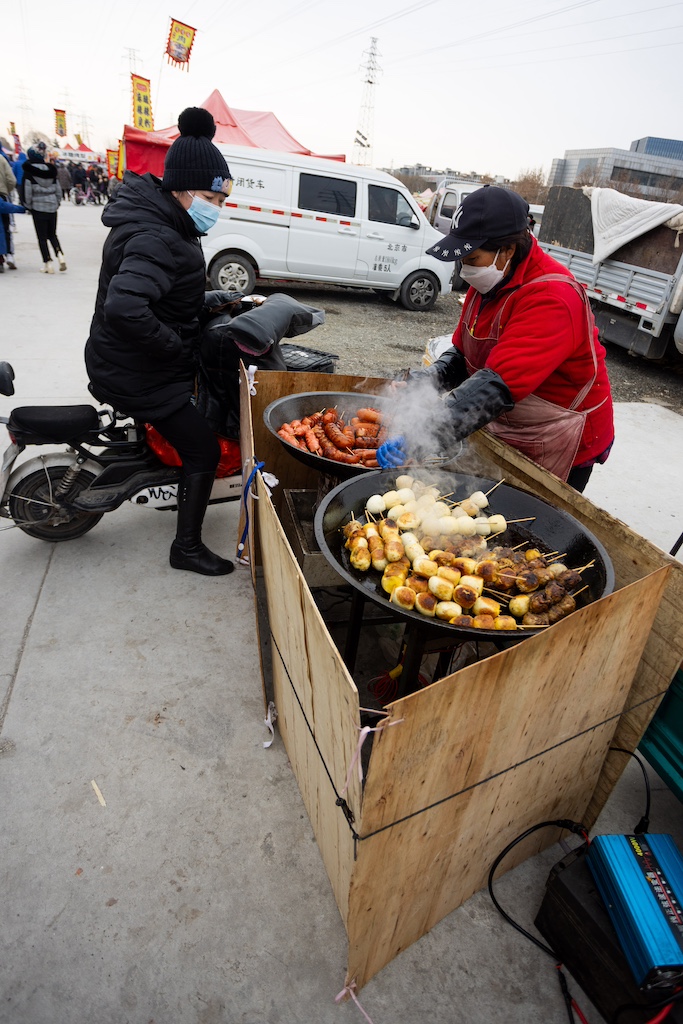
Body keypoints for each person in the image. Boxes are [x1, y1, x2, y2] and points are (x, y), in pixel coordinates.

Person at [377, 186, 614, 492]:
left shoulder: (553, 297)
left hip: (560, 431)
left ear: (508, 250)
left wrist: (424, 436)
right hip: (513, 417)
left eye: (472, 256)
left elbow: (496, 386)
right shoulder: (489, 282)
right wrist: (425, 379)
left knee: (536, 516)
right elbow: (463, 355)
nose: (465, 267)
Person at [84, 106, 237, 576]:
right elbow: (127, 308)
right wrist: (179, 349)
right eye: (213, 196)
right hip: (136, 370)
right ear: (185, 189)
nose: (218, 206)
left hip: (129, 359)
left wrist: (213, 299)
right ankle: (186, 549)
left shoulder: (170, 221)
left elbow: (165, 292)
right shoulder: (156, 234)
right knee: (203, 450)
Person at [22, 143, 66, 273]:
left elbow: (27, 191)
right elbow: (58, 191)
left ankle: (48, 263)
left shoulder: (29, 172)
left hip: (38, 208)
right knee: (52, 234)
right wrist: (57, 202)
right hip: (52, 207)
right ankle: (60, 256)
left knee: (42, 237)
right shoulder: (51, 171)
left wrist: (29, 206)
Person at [0, 151, 17, 271]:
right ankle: (9, 255)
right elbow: (12, 180)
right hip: (2, 195)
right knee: (6, 226)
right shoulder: (2, 159)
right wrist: (6, 190)